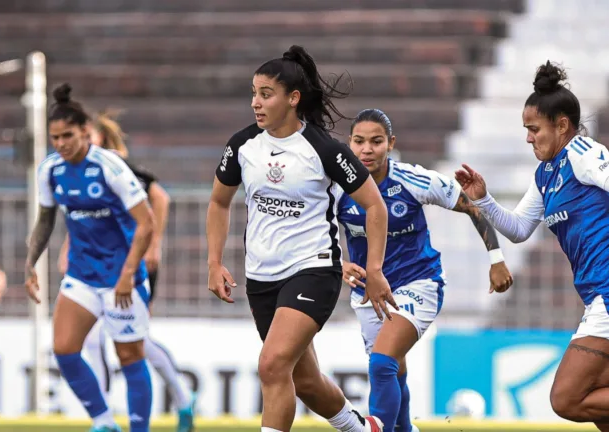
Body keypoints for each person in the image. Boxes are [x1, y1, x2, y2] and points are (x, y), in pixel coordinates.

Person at [455, 61, 609, 432]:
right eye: (526, 130)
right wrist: (484, 199)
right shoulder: (546, 174)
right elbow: (520, 228)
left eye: (534, 129)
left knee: (567, 399)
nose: (528, 138)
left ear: (562, 125)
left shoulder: (581, 152)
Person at [206, 45, 393, 432]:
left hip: (313, 270)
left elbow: (375, 206)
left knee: (272, 364)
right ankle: (362, 429)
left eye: (266, 94)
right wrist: (214, 261)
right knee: (305, 381)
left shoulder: (324, 149)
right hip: (261, 279)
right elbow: (218, 202)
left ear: (293, 99)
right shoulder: (242, 146)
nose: (256, 103)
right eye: (254, 93)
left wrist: (374, 268)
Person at [336, 109, 514, 432]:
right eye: (359, 141)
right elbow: (316, 232)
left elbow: (470, 204)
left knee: (381, 364)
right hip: (368, 295)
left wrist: (497, 258)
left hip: (418, 284)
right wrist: (340, 264)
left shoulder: (411, 179)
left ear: (390, 144)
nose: (367, 149)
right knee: (393, 370)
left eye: (376, 141)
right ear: (349, 144)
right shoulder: (337, 188)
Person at [24, 83, 154, 432]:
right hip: (82, 274)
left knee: (129, 357)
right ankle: (104, 422)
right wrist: (30, 262)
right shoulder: (50, 170)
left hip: (120, 276)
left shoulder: (110, 167)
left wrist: (128, 274)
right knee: (64, 349)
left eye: (68, 135)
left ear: (85, 132)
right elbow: (46, 220)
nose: (61, 144)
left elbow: (147, 223)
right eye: (55, 138)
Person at [57, 110, 196, 432]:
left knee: (137, 343)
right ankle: (104, 418)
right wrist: (69, 250)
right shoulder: (79, 172)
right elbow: (83, 217)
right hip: (93, 268)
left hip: (132, 265)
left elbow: (159, 197)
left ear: (99, 138)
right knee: (89, 340)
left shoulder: (116, 166)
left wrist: (153, 244)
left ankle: (182, 396)